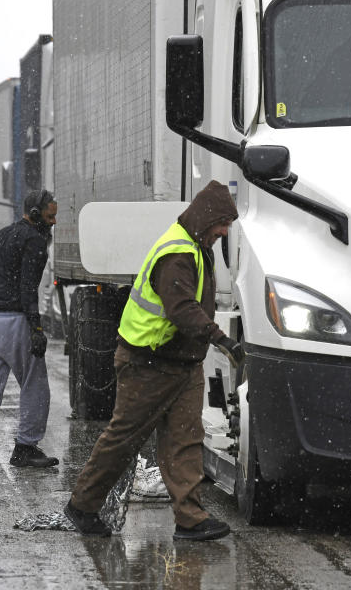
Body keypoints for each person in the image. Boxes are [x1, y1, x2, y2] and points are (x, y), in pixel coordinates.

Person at [63, 180, 245, 540]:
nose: (225, 232)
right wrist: (223, 340)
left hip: (181, 363)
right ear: (207, 218)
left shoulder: (195, 244)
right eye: (223, 223)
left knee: (185, 439)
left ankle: (190, 519)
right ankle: (82, 506)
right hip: (148, 363)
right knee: (123, 439)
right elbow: (181, 310)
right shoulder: (177, 253)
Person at [0, 190, 59, 470]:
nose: (53, 222)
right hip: (17, 320)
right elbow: (27, 288)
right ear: (35, 214)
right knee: (35, 385)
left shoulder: (0, 236)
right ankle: (25, 448)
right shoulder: (34, 241)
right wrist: (35, 328)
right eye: (49, 216)